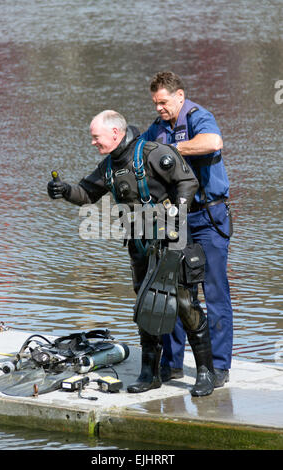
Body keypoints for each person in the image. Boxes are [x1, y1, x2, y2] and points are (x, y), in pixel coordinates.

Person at [47, 110, 216, 397]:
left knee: (186, 306)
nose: (93, 142)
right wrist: (63, 190)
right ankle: (149, 374)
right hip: (139, 247)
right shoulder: (109, 166)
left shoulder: (153, 153)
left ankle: (205, 373)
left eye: (96, 137)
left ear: (115, 133)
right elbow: (86, 193)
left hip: (171, 242)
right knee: (146, 308)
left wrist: (179, 213)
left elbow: (188, 181)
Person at [140, 72, 233, 388]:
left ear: (179, 96)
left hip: (209, 217)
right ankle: (172, 364)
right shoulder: (157, 128)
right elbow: (140, 153)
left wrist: (173, 150)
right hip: (176, 220)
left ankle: (219, 367)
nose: (159, 108)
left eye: (163, 102)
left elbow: (213, 142)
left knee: (214, 291)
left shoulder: (197, 116)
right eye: (155, 103)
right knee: (177, 292)